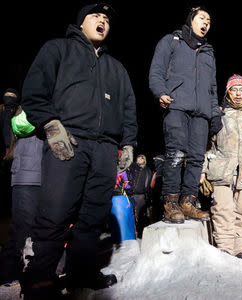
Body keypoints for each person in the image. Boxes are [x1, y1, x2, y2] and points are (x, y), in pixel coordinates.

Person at [20, 3, 138, 298]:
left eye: (106, 19)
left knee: (93, 216)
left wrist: (128, 142)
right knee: (56, 210)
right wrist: (50, 124)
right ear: (80, 23)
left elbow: (128, 109)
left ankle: (82, 273)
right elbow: (34, 91)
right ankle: (39, 278)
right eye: (96, 16)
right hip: (68, 141)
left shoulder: (117, 68)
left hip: (105, 149)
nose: (102, 21)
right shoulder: (58, 49)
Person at [149, 6, 222, 224]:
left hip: (201, 112)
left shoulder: (208, 52)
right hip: (177, 105)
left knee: (197, 158)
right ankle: (169, 202)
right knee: (176, 153)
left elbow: (212, 86)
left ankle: (188, 202)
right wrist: (161, 92)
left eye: (209, 20)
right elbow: (156, 71)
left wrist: (215, 112)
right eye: (202, 18)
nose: (206, 23)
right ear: (191, 19)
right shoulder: (171, 41)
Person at [201, 74, 242, 257]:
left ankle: (241, 247)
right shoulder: (218, 115)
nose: (237, 93)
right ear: (227, 92)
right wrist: (202, 170)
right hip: (221, 169)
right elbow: (206, 145)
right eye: (233, 90)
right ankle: (225, 246)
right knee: (222, 209)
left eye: (241, 90)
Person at [0, 100, 42, 286]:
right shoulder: (26, 108)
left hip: (43, 176)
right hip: (25, 176)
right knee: (21, 228)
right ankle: (7, 271)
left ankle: (31, 268)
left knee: (38, 228)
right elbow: (21, 126)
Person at [126, 154, 153, 232]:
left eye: (141, 158)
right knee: (130, 213)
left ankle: (139, 230)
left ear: (144, 160)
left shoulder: (147, 170)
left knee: (140, 214)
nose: (139, 160)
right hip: (130, 194)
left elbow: (149, 184)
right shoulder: (133, 168)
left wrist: (147, 195)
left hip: (141, 196)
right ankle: (130, 230)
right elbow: (127, 176)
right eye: (138, 158)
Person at [1, 89, 20, 160]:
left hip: (15, 145)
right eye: (7, 95)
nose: (9, 97)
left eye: (12, 96)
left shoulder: (19, 111)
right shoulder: (1, 109)